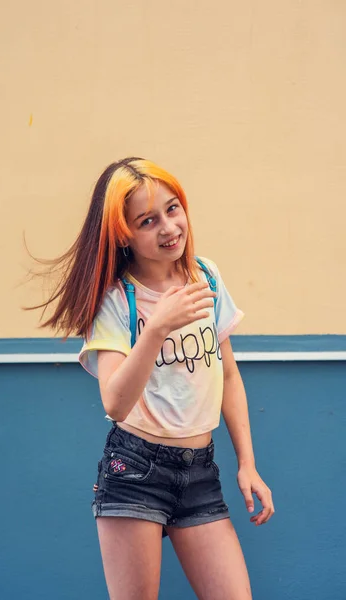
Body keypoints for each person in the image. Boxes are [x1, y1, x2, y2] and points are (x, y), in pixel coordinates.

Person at [34, 157, 274, 599]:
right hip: (136, 469)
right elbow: (115, 403)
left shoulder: (207, 278)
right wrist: (159, 324)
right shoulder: (116, 299)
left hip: (200, 471)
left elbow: (229, 372)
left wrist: (247, 463)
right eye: (147, 221)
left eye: (172, 209)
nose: (168, 227)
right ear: (123, 235)